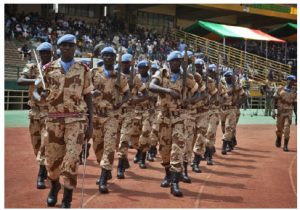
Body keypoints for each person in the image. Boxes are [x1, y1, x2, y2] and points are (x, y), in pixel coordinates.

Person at [40, 34, 94, 208]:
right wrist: (39, 96)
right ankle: (55, 185)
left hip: (76, 120)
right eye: (64, 45)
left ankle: (67, 198)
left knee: (71, 159)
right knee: (53, 163)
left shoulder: (83, 69)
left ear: (75, 48)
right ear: (59, 48)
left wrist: (91, 124)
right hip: (54, 121)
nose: (68, 48)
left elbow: (88, 96)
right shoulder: (48, 68)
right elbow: (37, 91)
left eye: (71, 45)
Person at [149, 51, 199, 197]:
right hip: (163, 116)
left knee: (177, 147)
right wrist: (168, 91)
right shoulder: (162, 73)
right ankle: (167, 174)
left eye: (178, 61)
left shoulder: (187, 77)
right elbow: (151, 86)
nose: (176, 63)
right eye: (173, 61)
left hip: (179, 116)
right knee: (164, 148)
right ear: (169, 62)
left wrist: (189, 101)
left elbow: (198, 91)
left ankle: (175, 183)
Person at [91, 47, 130, 193]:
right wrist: (91, 93)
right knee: (97, 146)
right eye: (105, 55)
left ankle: (102, 178)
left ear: (115, 58)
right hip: (96, 115)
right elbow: (85, 90)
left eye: (111, 56)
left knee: (109, 146)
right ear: (102, 56)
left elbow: (127, 93)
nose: (108, 58)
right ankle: (105, 170)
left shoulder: (120, 76)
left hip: (112, 115)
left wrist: (122, 102)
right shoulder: (93, 73)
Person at [17, 42, 53, 190]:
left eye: (47, 52)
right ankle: (44, 168)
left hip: (49, 113)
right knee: (36, 145)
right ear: (38, 54)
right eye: (42, 52)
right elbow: (20, 81)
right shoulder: (32, 67)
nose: (44, 55)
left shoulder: (55, 68)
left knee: (45, 143)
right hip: (34, 112)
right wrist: (35, 81)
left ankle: (41, 174)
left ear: (51, 53)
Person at [219, 70, 245, 155]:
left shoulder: (236, 86)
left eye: (229, 77)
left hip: (232, 109)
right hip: (223, 109)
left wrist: (238, 103)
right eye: (226, 77)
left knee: (229, 127)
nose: (227, 78)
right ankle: (231, 141)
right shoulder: (221, 85)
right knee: (224, 128)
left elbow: (243, 95)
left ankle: (224, 146)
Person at [272, 75, 296, 152]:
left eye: (293, 81)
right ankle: (279, 138)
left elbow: (295, 104)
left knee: (286, 128)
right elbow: (274, 100)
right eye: (291, 80)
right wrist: (273, 111)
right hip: (280, 111)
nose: (292, 82)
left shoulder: (294, 91)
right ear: (287, 80)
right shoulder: (280, 89)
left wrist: (296, 115)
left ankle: (285, 145)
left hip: (289, 112)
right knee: (279, 128)